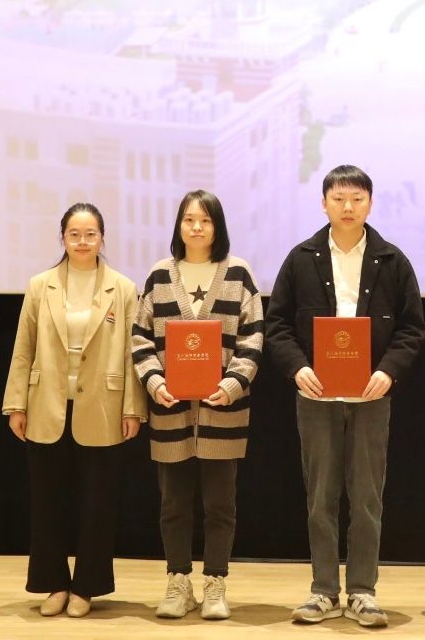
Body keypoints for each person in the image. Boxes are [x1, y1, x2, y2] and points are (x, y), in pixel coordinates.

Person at [265, 164, 425, 628]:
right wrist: (298, 368)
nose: (348, 207)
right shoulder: (301, 258)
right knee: (320, 497)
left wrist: (388, 372)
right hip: (316, 396)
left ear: (370, 204)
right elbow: (277, 325)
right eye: (339, 199)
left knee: (367, 498)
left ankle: (362, 592)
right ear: (324, 204)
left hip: (372, 397)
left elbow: (412, 328)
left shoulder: (392, 260)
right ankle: (323, 591)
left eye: (357, 199)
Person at [2, 202, 145, 619]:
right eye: (74, 234)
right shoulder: (39, 286)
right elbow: (23, 347)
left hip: (103, 406)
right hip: (46, 404)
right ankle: (54, 584)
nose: (83, 242)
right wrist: (16, 404)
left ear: (103, 238)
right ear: (62, 238)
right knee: (47, 503)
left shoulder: (123, 288)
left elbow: (133, 353)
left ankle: (86, 587)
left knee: (98, 504)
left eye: (90, 234)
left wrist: (133, 408)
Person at [132, 190, 264, 621]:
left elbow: (253, 337)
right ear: (179, 225)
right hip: (170, 410)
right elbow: (140, 337)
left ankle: (215, 584)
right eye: (189, 219)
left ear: (217, 226)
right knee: (173, 505)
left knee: (220, 505)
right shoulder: (159, 275)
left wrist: (232, 384)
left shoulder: (239, 273)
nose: (196, 227)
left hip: (223, 410)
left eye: (205, 220)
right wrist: (154, 382)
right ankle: (178, 583)